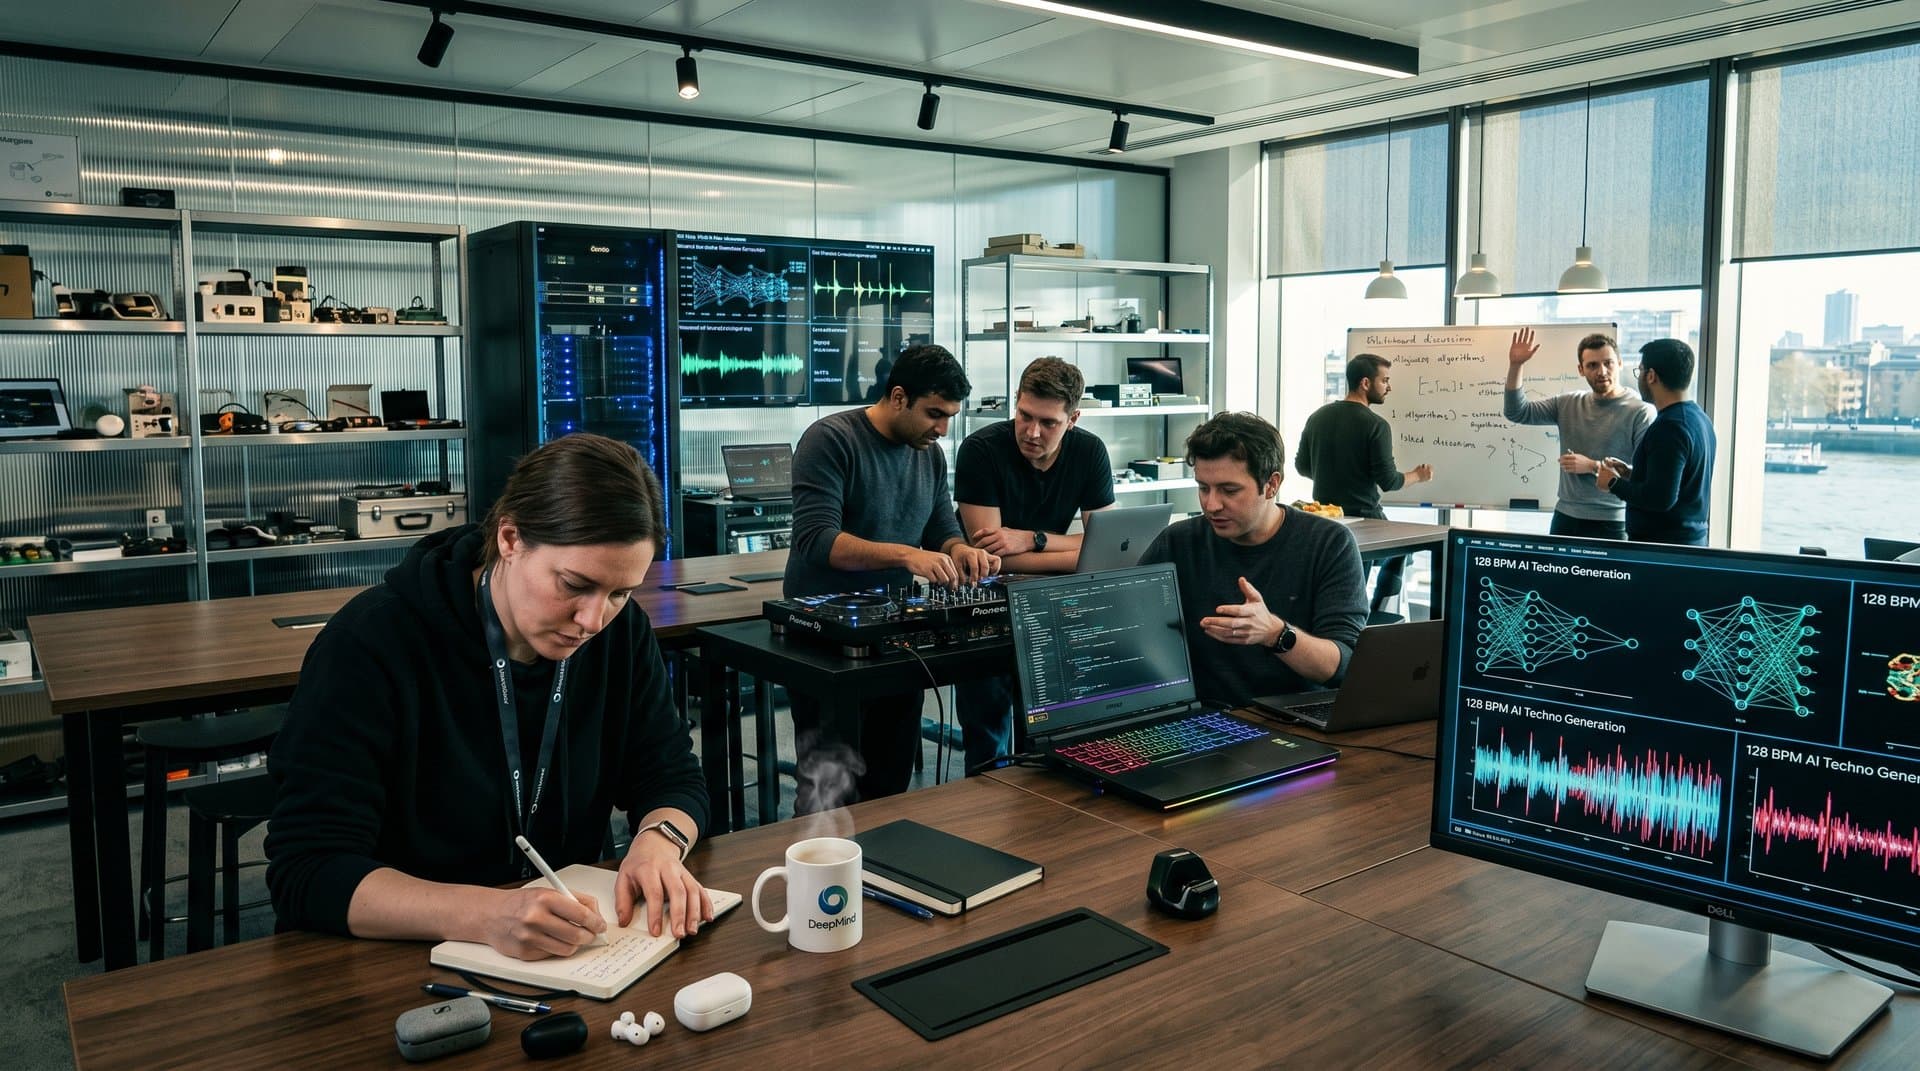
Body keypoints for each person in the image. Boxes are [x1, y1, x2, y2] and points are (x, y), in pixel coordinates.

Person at [265, 434, 712, 961]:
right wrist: (488, 915)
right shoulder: (371, 644)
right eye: (573, 584)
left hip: (568, 951)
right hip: (395, 958)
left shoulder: (621, 633)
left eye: (619, 593)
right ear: (509, 538)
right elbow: (309, 871)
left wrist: (658, 841)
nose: (593, 621)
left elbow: (672, 775)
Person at [785, 343, 999, 811]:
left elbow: (940, 523)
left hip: (896, 632)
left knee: (890, 780)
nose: (942, 429)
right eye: (934, 414)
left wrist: (960, 549)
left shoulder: (928, 453)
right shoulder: (830, 439)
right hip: (826, 640)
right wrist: (907, 556)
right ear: (898, 397)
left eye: (949, 417)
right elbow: (816, 540)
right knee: (828, 789)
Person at [953, 357, 1116, 771]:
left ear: (1073, 418)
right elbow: (990, 557)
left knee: (1049, 728)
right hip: (982, 600)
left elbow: (1108, 547)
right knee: (988, 732)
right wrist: (1071, 555)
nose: (1032, 432)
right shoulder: (981, 450)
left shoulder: (1090, 451)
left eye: (1049, 422)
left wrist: (1032, 539)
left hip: (1050, 603)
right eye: (1024, 416)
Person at [1142, 412, 1367, 708]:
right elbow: (1134, 632)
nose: (1211, 505)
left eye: (1229, 490)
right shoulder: (1177, 542)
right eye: (1203, 487)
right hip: (1200, 718)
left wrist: (1275, 634)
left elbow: (1343, 667)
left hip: (1291, 720)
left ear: (1271, 485)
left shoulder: (1328, 544)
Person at [1294, 353, 1432, 613]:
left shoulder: (1318, 417)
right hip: (1366, 520)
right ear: (1366, 383)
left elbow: (1302, 467)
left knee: (1347, 574)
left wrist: (1333, 473)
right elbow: (1389, 481)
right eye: (1385, 381)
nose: (1389, 387)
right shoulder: (1376, 425)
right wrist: (1418, 475)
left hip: (1327, 519)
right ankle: (1376, 616)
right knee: (1401, 551)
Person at [1504, 328, 1656, 540]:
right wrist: (1516, 365)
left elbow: (1643, 474)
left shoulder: (1641, 411)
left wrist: (1592, 466)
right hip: (1566, 517)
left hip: (1613, 522)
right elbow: (1517, 412)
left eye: (1608, 363)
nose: (1602, 371)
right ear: (1581, 370)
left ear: (1619, 363)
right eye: (1592, 365)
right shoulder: (1568, 403)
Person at [1597, 338, 1716, 546]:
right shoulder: (1699, 419)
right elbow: (1678, 482)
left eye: (1640, 370)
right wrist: (1631, 474)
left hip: (1663, 549)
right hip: (1689, 543)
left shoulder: (1669, 427)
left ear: (1651, 375)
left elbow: (1661, 499)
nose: (1639, 377)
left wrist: (1613, 484)